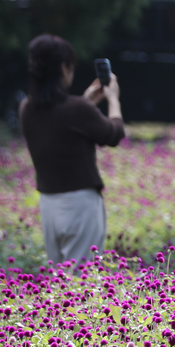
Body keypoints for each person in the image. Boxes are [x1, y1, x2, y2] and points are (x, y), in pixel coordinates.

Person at [19, 34, 125, 264]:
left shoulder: (26, 108)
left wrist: (86, 102)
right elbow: (113, 134)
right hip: (80, 204)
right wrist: (113, 100)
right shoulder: (77, 110)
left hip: (48, 205)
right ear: (65, 68)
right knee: (81, 281)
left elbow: (62, 121)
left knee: (60, 282)